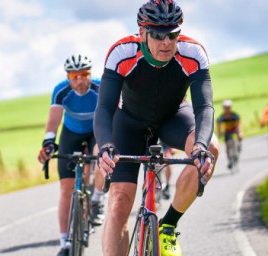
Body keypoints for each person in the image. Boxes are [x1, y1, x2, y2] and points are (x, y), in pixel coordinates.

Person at [93, 1, 220, 255]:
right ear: (142, 33)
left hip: (173, 117)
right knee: (119, 201)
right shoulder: (122, 53)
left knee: (211, 148)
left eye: (173, 34)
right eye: (158, 35)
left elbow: (204, 107)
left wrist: (200, 147)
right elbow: (105, 108)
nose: (167, 42)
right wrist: (106, 145)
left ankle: (169, 226)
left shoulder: (193, 53)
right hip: (129, 123)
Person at [37, 54, 107, 256]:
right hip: (71, 133)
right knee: (66, 188)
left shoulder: (100, 87)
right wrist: (49, 143)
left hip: (97, 130)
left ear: (90, 74)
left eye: (84, 75)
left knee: (101, 157)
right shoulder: (61, 91)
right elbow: (53, 121)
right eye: (74, 76)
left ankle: (96, 198)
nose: (79, 80)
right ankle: (65, 243)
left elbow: (112, 115)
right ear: (68, 77)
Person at [216, 99, 243, 169]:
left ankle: (239, 146)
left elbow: (239, 125)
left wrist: (239, 133)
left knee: (240, 136)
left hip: (235, 129)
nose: (227, 109)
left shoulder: (235, 116)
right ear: (223, 109)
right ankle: (229, 160)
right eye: (225, 108)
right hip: (227, 131)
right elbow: (218, 123)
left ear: (230, 108)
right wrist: (219, 133)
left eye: (228, 108)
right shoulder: (222, 117)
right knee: (227, 145)